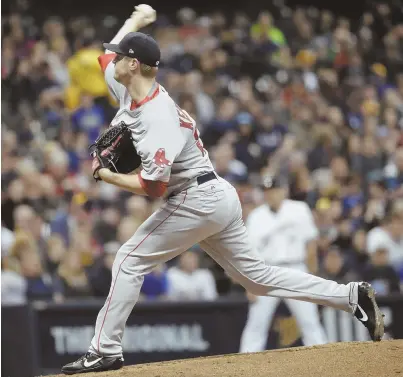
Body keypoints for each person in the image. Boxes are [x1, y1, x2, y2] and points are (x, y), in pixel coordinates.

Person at [62, 6, 384, 375]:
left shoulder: (157, 115)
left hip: (194, 198)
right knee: (257, 279)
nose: (113, 58)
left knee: (128, 260)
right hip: (213, 195)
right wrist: (136, 22)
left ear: (133, 65)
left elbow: (153, 186)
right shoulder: (126, 82)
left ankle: (104, 350)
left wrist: (106, 175)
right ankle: (350, 295)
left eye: (121, 56)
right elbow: (108, 54)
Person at [239, 176, 327, 352]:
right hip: (266, 271)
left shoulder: (299, 209)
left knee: (309, 320)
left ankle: (324, 358)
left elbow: (311, 245)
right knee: (257, 323)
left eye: (274, 190)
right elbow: (249, 253)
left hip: (295, 268)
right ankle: (245, 364)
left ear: (283, 191)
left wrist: (312, 274)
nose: (270, 194)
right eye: (267, 191)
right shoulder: (257, 216)